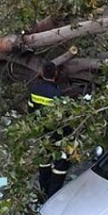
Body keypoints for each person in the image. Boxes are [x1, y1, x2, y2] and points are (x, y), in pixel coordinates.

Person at [28, 62, 69, 198]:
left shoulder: (35, 90)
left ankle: (44, 189)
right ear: (55, 74)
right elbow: (63, 118)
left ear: (42, 73)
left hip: (40, 132)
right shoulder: (57, 95)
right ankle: (53, 193)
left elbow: (30, 110)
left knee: (43, 161)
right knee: (61, 163)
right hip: (55, 134)